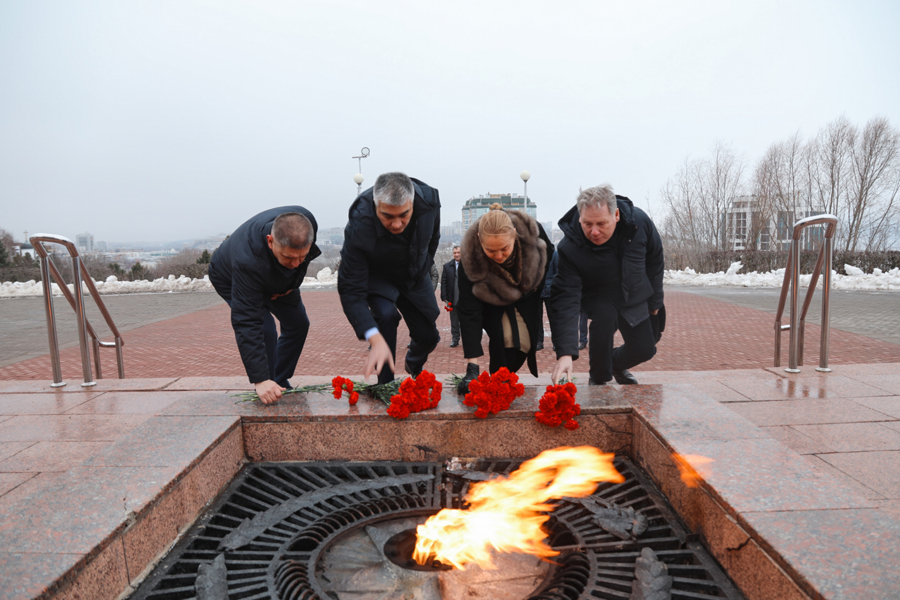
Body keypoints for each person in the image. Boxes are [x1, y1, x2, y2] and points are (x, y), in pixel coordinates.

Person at [550, 185, 665, 385]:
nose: (594, 232)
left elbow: (655, 259)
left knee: (645, 349)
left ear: (616, 215)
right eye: (587, 224)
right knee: (605, 317)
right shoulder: (569, 248)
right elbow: (566, 298)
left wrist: (655, 301)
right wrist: (566, 353)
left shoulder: (639, 224)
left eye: (601, 223)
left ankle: (615, 364)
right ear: (579, 217)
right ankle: (599, 378)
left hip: (633, 293)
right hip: (597, 295)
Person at [208, 207, 321, 404]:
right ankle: (267, 385)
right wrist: (259, 378)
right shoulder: (247, 260)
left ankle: (278, 378)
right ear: (270, 241)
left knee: (298, 323)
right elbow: (247, 321)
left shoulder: (306, 222)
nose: (296, 264)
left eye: (301, 257)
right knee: (265, 327)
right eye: (289, 258)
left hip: (277, 277)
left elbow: (296, 260)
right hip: (229, 276)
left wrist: (290, 284)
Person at [338, 172, 441, 384]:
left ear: (413, 203)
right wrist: (372, 336)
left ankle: (413, 361)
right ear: (375, 204)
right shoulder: (360, 222)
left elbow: (433, 239)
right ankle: (385, 384)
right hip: (379, 276)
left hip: (414, 272)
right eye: (387, 216)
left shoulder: (429, 202)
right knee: (385, 316)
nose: (396, 224)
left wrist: (422, 264)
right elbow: (350, 288)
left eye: (404, 215)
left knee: (429, 336)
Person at [455, 204, 553, 393]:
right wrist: (472, 368)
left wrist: (530, 289)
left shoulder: (533, 235)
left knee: (522, 344)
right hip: (491, 297)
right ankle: (498, 381)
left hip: (526, 294)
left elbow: (547, 262)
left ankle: (503, 377)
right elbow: (469, 312)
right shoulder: (470, 259)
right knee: (503, 339)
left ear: (515, 234)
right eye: (491, 251)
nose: (498, 256)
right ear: (478, 240)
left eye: (504, 249)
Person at [440, 245, 461, 347]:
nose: (456, 255)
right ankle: (455, 339)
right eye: (455, 253)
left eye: (458, 252)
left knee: (466, 322)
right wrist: (444, 297)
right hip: (453, 298)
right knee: (454, 321)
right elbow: (443, 282)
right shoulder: (447, 266)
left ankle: (467, 340)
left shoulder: (469, 265)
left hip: (465, 300)